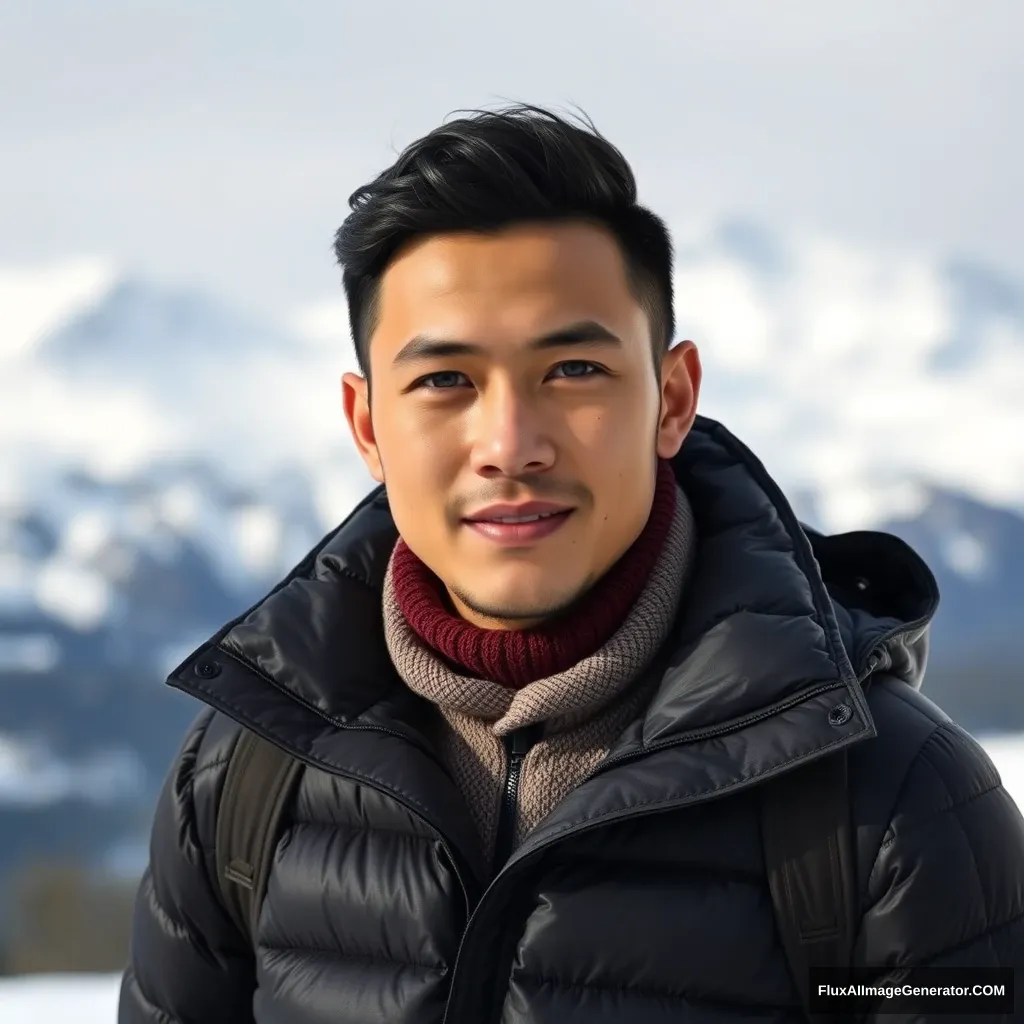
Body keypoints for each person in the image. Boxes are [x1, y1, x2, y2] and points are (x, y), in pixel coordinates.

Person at [118, 104, 1024, 1024]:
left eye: (574, 371)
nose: (510, 444)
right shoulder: (242, 775)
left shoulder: (897, 803)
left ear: (672, 399)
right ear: (366, 426)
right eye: (444, 381)